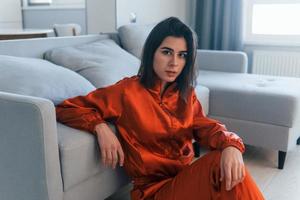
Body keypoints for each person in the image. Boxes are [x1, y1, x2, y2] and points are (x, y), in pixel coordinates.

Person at [56, 17, 264, 200]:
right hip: (153, 193)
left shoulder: (186, 95)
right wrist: (99, 127)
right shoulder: (126, 92)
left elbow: (208, 128)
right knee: (218, 165)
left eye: (182, 55)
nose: (174, 62)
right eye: (167, 52)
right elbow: (66, 108)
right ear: (151, 53)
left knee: (230, 172)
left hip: (183, 182)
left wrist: (232, 144)